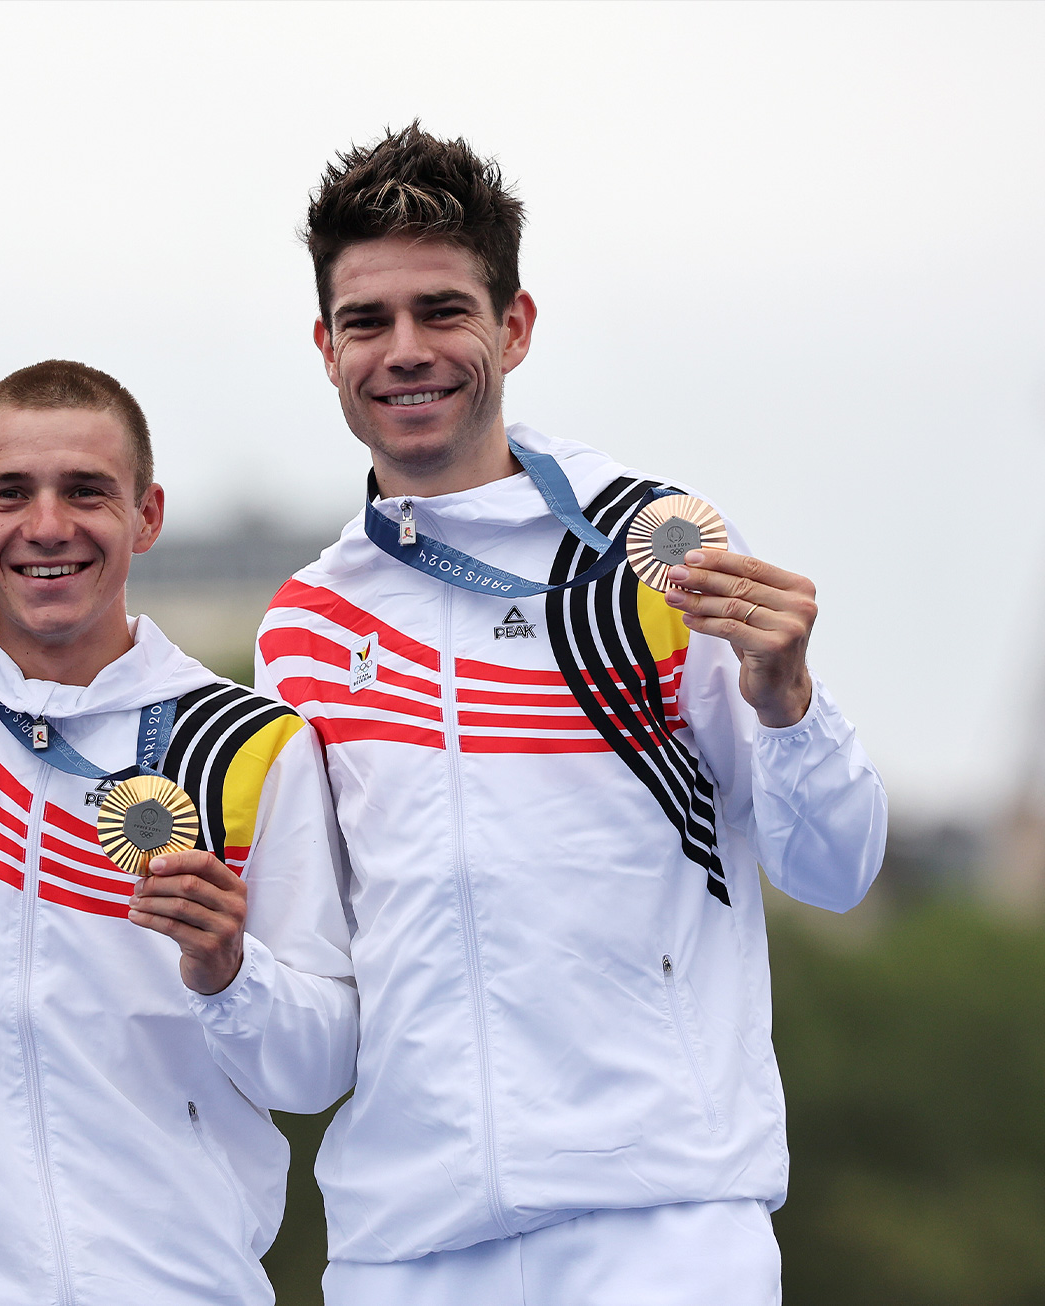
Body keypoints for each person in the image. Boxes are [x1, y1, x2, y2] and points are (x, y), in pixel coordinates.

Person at [250, 124, 888, 1304]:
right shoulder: (302, 625)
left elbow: (839, 870)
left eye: (443, 310)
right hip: (403, 1243)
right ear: (324, 346)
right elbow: (320, 989)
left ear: (515, 325)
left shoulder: (659, 547)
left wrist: (788, 702)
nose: (405, 351)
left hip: (660, 1225)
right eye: (366, 321)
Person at [0, 361, 357, 1305]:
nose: (48, 527)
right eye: (10, 495)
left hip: (179, 1284)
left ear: (147, 514)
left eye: (87, 492)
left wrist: (228, 973)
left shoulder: (251, 746)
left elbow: (318, 1069)